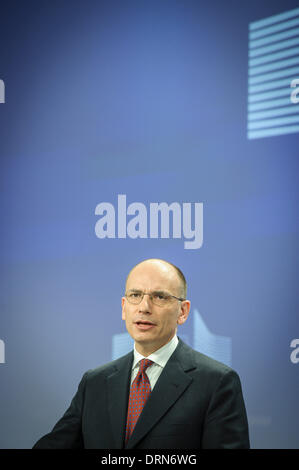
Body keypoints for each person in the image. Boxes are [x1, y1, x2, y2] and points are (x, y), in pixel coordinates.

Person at [33, 258, 250, 449]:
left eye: (160, 297)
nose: (144, 307)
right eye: (135, 295)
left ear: (182, 312)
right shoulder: (94, 383)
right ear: (123, 307)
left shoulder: (217, 382)